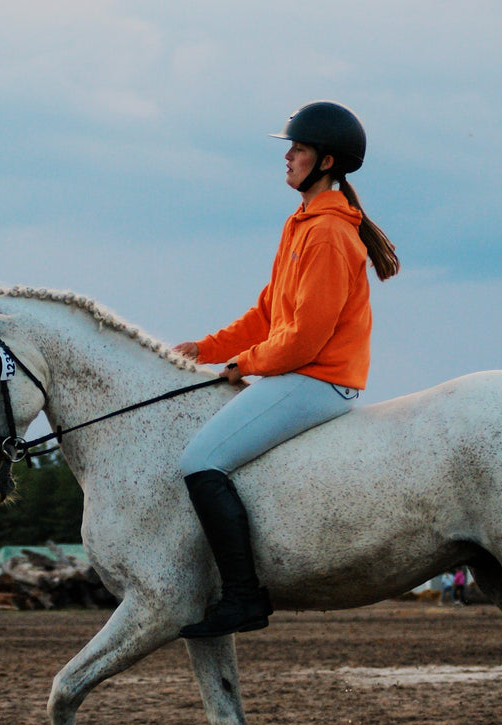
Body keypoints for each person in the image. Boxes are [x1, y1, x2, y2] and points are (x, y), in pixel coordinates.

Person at [171, 100, 399, 639]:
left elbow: (304, 340)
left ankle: (244, 598)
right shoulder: (300, 223)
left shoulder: (327, 233)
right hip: (297, 374)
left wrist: (240, 364)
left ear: (325, 162)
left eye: (297, 148)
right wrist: (203, 350)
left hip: (319, 380)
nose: (288, 157)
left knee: (200, 460)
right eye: (289, 148)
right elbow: (268, 313)